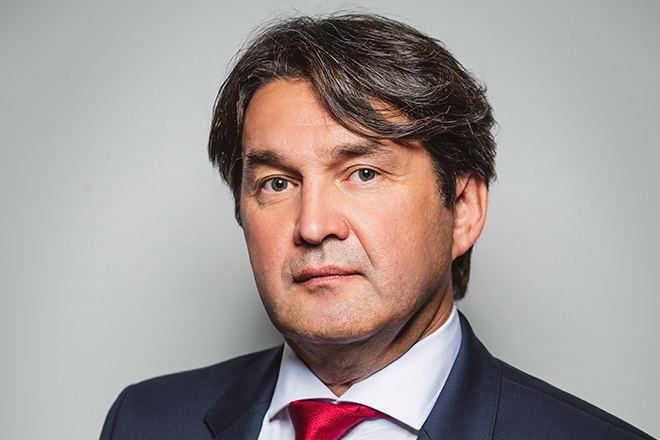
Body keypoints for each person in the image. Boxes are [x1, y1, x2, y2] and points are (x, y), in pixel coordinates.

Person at [100, 13, 653, 440]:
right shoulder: (142, 422)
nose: (313, 226)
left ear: (462, 209)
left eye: (363, 173)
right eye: (277, 183)